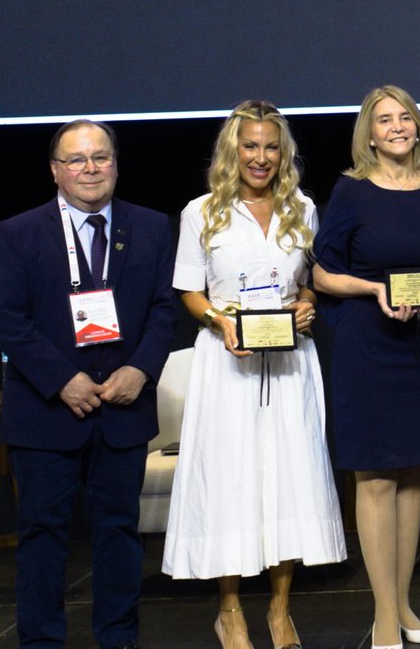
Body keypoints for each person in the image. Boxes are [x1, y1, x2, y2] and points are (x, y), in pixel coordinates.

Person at [0, 120, 176, 649]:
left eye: (101, 157)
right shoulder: (19, 232)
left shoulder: (151, 227)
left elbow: (164, 310)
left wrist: (140, 370)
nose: (90, 169)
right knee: (42, 535)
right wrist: (62, 380)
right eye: (76, 159)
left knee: (118, 532)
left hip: (123, 407)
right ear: (55, 171)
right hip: (46, 410)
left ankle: (118, 639)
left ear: (116, 164)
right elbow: (7, 321)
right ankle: (41, 642)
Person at [163, 102, 346, 649]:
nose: (260, 157)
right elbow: (189, 290)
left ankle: (280, 610)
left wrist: (307, 303)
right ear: (233, 150)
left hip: (289, 364)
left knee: (288, 480)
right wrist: (220, 322)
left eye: (271, 147)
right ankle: (230, 611)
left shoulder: (302, 208)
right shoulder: (201, 212)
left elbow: (309, 281)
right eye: (250, 146)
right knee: (230, 481)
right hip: (228, 363)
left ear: (283, 154)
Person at [312, 86, 420, 649]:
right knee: (376, 478)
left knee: (412, 477)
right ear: (370, 134)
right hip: (369, 347)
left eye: (406, 117)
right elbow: (322, 273)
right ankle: (382, 617)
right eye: (385, 119)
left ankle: (403, 606)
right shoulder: (350, 191)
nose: (398, 126)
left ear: (418, 127)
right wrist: (375, 289)